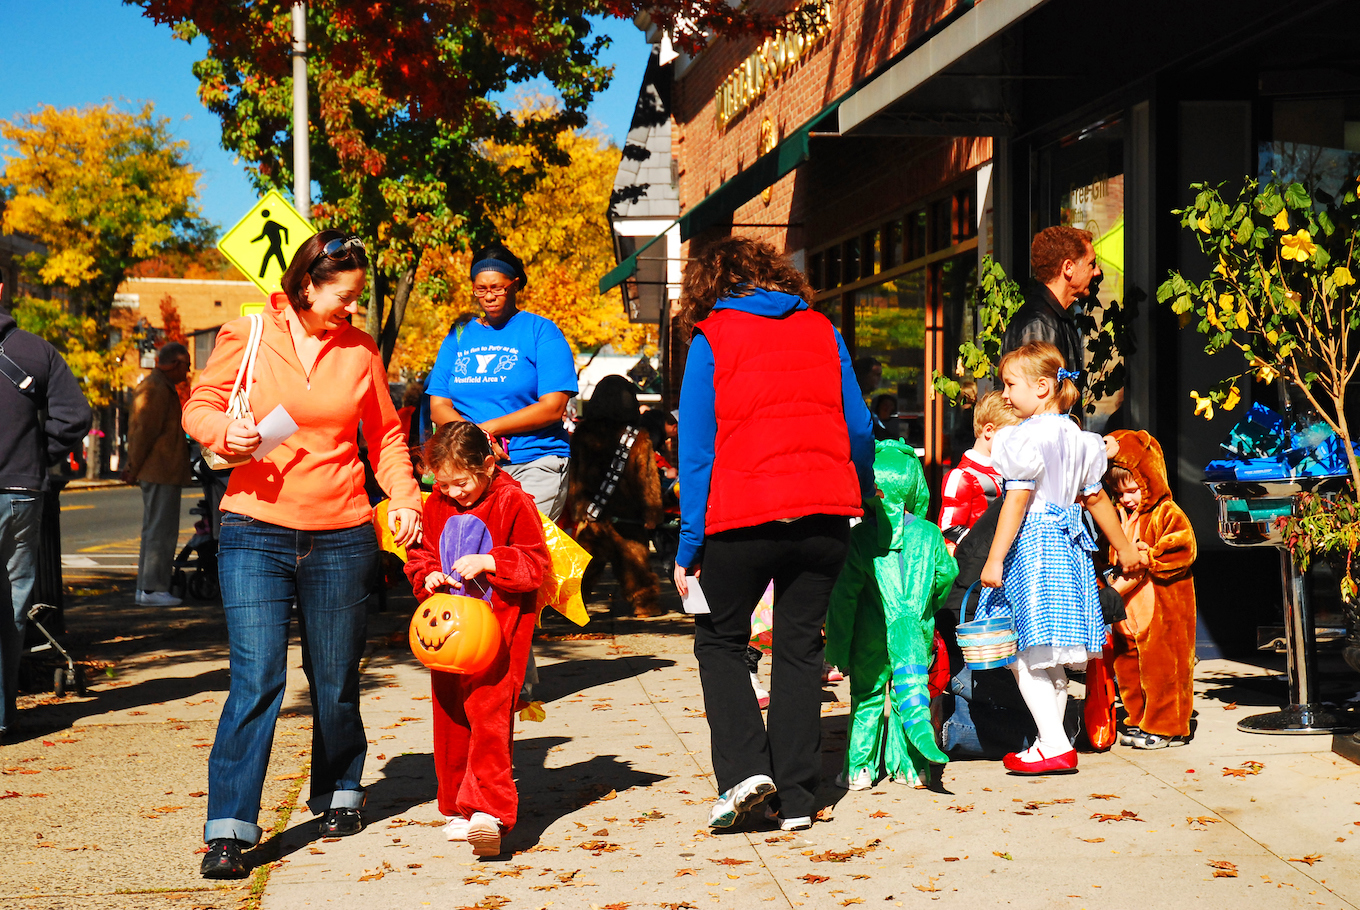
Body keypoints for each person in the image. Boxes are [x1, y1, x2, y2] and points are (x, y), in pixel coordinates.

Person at [184, 231, 423, 878]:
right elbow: (201, 404)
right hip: (254, 527)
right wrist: (220, 430)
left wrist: (404, 496)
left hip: (341, 532)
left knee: (336, 677)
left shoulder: (360, 350)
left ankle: (340, 786)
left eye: (355, 296)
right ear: (306, 285)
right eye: (341, 295)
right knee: (257, 679)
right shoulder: (248, 334)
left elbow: (388, 436)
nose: (351, 307)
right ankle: (229, 829)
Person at [673, 236, 874, 832]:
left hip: (742, 516)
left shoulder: (713, 337)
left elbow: (697, 452)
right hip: (822, 514)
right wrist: (855, 489)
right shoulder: (822, 329)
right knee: (798, 648)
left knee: (721, 642)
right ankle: (799, 795)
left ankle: (744, 776)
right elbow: (858, 426)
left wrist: (689, 546)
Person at [977, 341, 1143, 775]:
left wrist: (995, 559)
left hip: (1033, 545)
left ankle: (1052, 742)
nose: (1006, 394)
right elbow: (1095, 497)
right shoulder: (1079, 437)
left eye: (1011, 385)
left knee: (1025, 650)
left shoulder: (1022, 437)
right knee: (1046, 649)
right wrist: (1123, 547)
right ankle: (1052, 738)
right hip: (1069, 546)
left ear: (1044, 387)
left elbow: (1017, 500)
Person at [403, 422, 550, 858]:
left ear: (488, 465)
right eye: (442, 484)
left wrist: (490, 560)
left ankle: (489, 809)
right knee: (450, 713)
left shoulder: (511, 500)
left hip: (500, 628)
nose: (453, 492)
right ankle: (455, 807)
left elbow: (535, 564)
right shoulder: (438, 502)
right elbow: (422, 552)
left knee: (488, 712)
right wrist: (425, 573)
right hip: (447, 631)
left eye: (461, 482)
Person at [825, 440, 957, 790]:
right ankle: (911, 768)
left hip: (871, 632)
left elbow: (844, 600)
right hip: (915, 629)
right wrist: (925, 607)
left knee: (867, 698)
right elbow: (947, 575)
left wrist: (837, 647)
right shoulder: (929, 534)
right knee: (907, 694)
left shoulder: (860, 539)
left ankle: (859, 769)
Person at [425, 243, 578, 520]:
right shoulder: (459, 335)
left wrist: (485, 431)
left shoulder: (541, 331)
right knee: (476, 549)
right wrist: (476, 439)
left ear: (515, 285)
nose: (489, 296)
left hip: (533, 462)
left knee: (522, 549)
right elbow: (439, 405)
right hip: (469, 468)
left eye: (497, 287)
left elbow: (553, 407)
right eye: (480, 289)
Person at [0, 286, 91, 739]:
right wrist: (40, 455)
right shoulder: (35, 351)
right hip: (19, 490)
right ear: (1, 289)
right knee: (14, 604)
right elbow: (75, 417)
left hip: (20, 485)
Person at [1104, 430, 1197, 749]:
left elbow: (1183, 548)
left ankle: (1168, 726)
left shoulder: (1165, 513)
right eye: (1120, 492)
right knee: (1129, 669)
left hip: (1161, 608)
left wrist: (1147, 555)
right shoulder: (1122, 517)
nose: (1127, 498)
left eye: (1132, 490)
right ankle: (1139, 717)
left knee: (1164, 671)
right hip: (1129, 612)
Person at [569, 375, 663, 617]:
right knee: (636, 563)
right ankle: (644, 604)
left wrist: (576, 509)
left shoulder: (582, 433)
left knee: (585, 567)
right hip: (627, 515)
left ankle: (569, 607)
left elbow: (574, 475)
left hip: (592, 514)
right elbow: (648, 477)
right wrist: (652, 511)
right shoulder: (638, 436)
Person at [123, 342, 193, 606]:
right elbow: (143, 432)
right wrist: (132, 467)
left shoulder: (159, 386)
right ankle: (153, 589)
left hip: (161, 470)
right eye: (186, 366)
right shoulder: (155, 388)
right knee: (160, 532)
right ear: (174, 364)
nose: (187, 372)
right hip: (159, 470)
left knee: (157, 530)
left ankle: (149, 588)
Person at [1000, 225, 1103, 391]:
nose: (1097, 272)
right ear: (1068, 267)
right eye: (1092, 264)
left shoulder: (1051, 317)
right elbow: (1036, 398)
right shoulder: (1040, 324)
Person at [938, 391, 1019, 550]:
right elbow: (949, 528)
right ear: (989, 430)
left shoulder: (1010, 472)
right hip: (974, 564)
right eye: (1012, 437)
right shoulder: (962, 476)